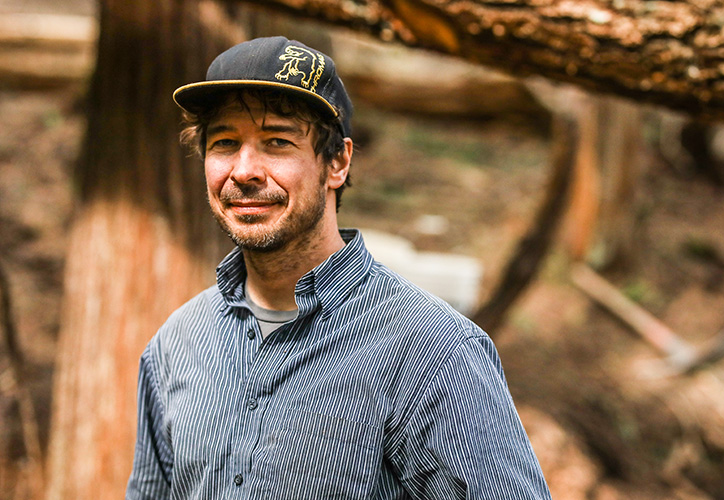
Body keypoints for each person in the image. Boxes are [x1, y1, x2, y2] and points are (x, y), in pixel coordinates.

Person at [126, 36, 552, 499]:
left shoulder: (432, 354)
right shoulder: (176, 345)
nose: (245, 170)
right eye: (225, 142)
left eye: (277, 142)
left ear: (337, 163)